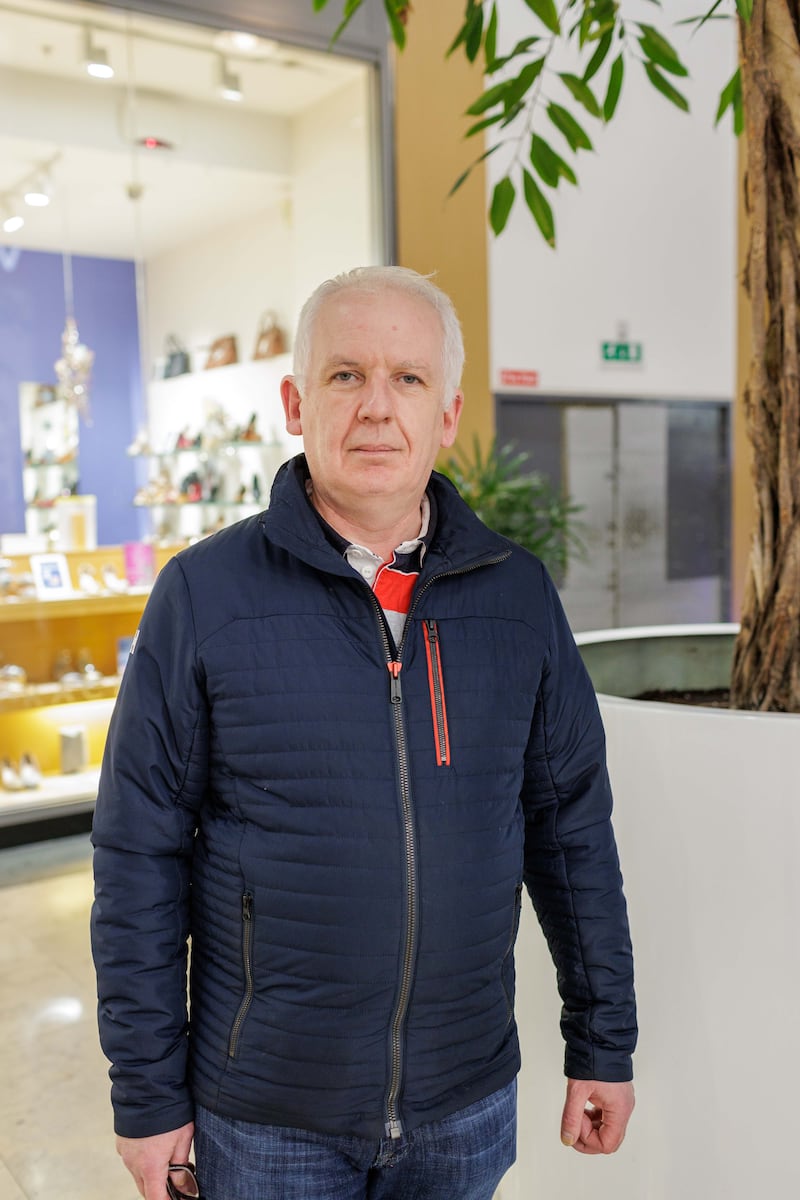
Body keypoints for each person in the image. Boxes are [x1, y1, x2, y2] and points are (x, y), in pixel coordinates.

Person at [91, 265, 637, 1200]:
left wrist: (603, 1042)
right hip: (266, 1118)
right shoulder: (205, 595)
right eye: (347, 376)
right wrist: (147, 1097)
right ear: (297, 402)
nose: (377, 409)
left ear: (449, 414)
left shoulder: (516, 599)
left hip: (462, 1108)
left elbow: (571, 833)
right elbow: (138, 854)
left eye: (408, 379)